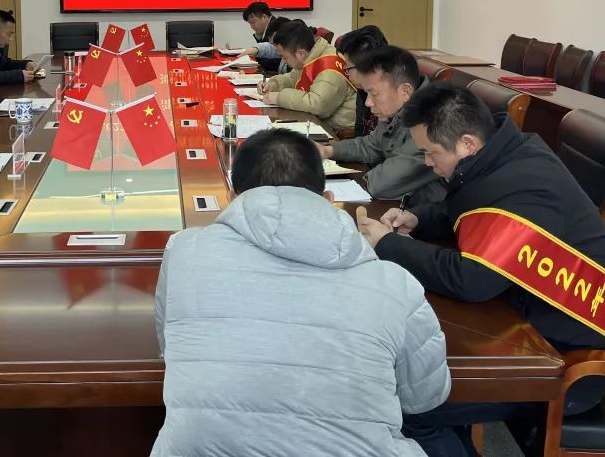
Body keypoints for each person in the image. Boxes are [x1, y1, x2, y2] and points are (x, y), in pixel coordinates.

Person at [353, 83, 605, 457]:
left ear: (466, 144)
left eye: (431, 152)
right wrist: (418, 218)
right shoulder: (499, 157)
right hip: (519, 322)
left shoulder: (526, 187)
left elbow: (471, 279)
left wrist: (388, 244)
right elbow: (470, 213)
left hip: (564, 358)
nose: (427, 162)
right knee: (417, 381)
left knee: (409, 408)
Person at [152, 128, 450, 457]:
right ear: (328, 199)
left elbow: (168, 347)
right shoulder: (395, 283)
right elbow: (424, 397)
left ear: (233, 197)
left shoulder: (184, 250)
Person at [319, 45, 444, 205]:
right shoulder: (396, 108)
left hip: (423, 214)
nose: (368, 102)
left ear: (405, 91)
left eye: (374, 94)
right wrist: (328, 150)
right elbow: (371, 145)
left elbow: (382, 184)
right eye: (367, 93)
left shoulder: (430, 122)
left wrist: (369, 173)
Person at [259, 19, 357, 132]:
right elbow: (293, 78)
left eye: (285, 57)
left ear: (300, 53)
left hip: (337, 131)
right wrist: (274, 84)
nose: (284, 61)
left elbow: (317, 105)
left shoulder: (329, 68)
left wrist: (279, 98)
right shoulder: (311, 55)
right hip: (318, 123)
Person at [335, 24, 389, 137]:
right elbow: (360, 134)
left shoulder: (395, 96)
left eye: (348, 68)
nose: (346, 72)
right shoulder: (362, 89)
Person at [240, 0, 289, 74]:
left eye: (253, 22)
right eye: (250, 24)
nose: (252, 27)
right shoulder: (265, 31)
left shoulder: (278, 28)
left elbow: (271, 61)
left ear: (264, 17)